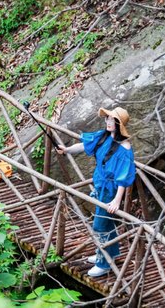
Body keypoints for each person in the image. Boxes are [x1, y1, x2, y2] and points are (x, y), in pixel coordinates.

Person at [57, 106, 136, 277]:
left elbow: (123, 177)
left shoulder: (125, 149)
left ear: (119, 124)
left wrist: (116, 200)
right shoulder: (104, 136)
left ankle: (104, 263)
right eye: (107, 119)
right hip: (99, 185)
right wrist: (67, 150)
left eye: (112, 120)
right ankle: (111, 253)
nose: (108, 122)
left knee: (100, 225)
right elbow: (85, 144)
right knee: (105, 222)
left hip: (110, 190)